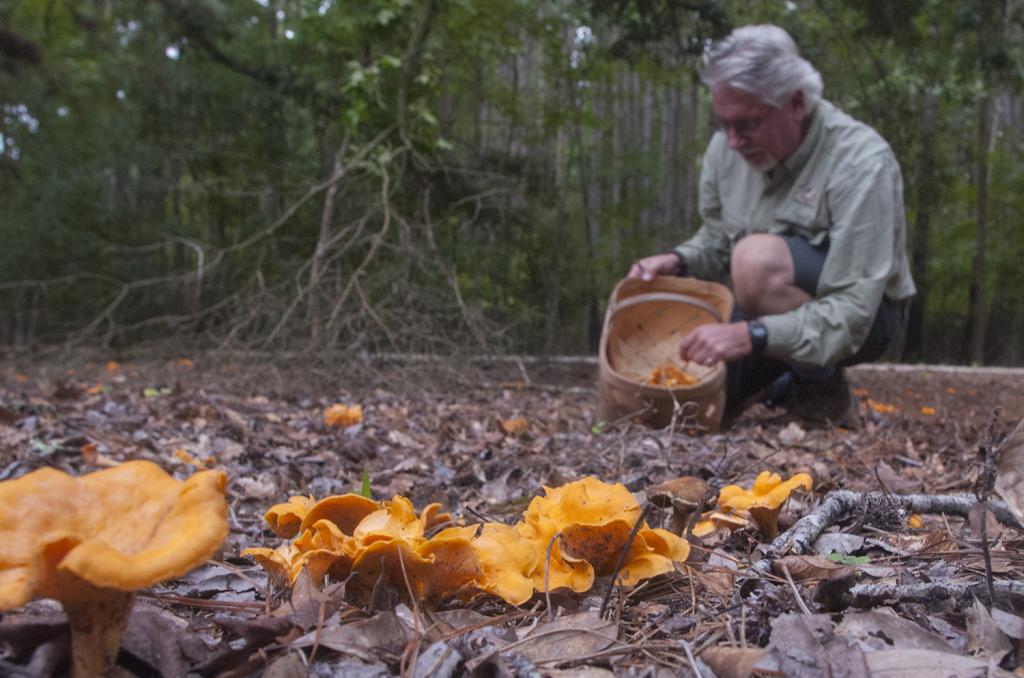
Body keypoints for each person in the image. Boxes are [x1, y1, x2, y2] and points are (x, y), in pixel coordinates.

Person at [628, 24, 916, 424]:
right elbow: (717, 239)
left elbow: (853, 308)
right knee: (689, 406)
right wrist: (678, 260)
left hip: (866, 317)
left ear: (795, 103)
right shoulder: (725, 152)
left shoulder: (862, 162)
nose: (732, 142)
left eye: (747, 124)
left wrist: (749, 336)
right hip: (763, 311)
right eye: (722, 124)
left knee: (755, 262)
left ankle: (819, 384)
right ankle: (786, 382)